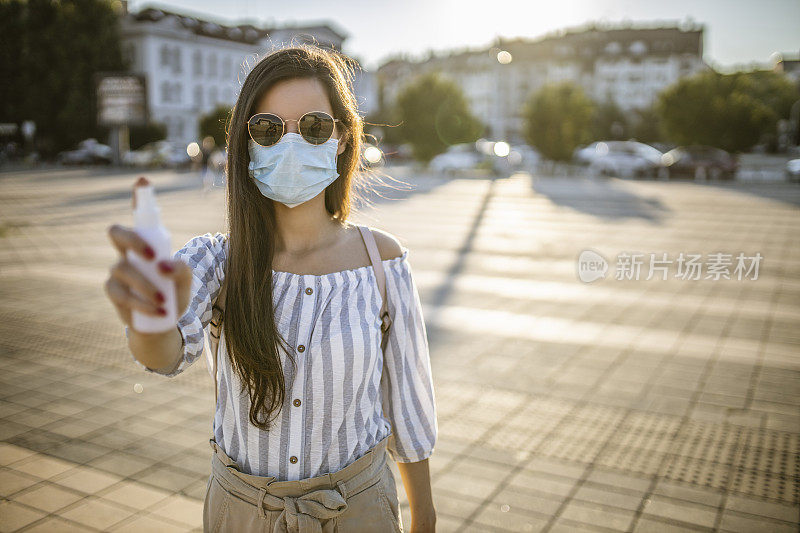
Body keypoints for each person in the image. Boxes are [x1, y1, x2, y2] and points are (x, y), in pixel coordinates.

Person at [105, 44, 438, 532]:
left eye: (314, 127)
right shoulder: (218, 259)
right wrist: (149, 319)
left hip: (361, 513)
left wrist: (424, 518)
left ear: (342, 138)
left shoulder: (382, 262)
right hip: (241, 515)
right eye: (267, 129)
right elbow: (165, 354)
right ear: (247, 142)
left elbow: (409, 410)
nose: (291, 144)